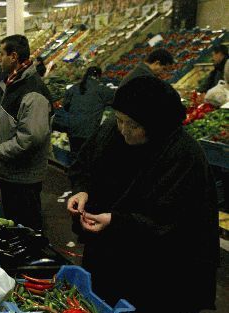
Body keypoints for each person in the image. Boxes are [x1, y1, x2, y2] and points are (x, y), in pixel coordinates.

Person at [67, 76, 219, 313]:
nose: (124, 131)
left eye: (133, 125)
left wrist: (116, 221)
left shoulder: (183, 155)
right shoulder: (112, 131)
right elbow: (84, 164)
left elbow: (172, 222)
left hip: (159, 272)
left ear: (155, 124)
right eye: (119, 120)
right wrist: (82, 190)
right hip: (108, 256)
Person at [0, 35, 52, 231]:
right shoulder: (15, 83)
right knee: (14, 223)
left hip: (24, 177)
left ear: (13, 56)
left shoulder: (33, 92)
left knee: (27, 227)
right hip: (12, 173)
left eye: (1, 54)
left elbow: (29, 139)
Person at [59, 66, 114, 153]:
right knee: (89, 158)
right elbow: (117, 99)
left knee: (76, 157)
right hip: (90, 133)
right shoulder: (101, 89)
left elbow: (65, 106)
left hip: (73, 131)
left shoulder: (73, 88)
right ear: (98, 76)